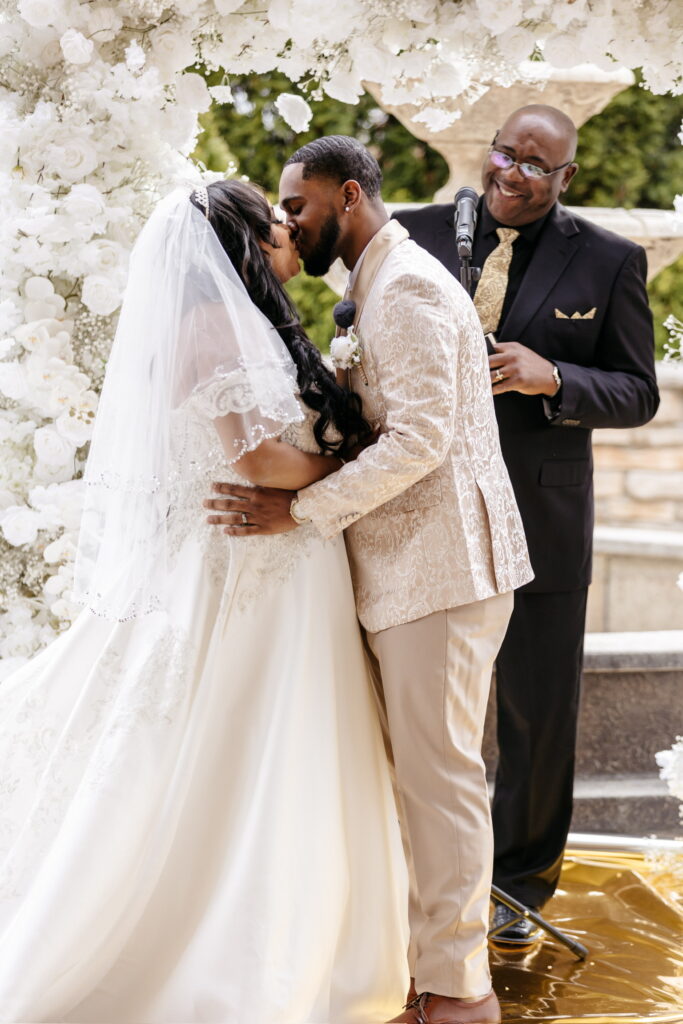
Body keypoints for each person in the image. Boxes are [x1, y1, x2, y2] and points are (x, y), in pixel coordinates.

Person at [0, 180, 410, 1023]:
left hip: (281, 560)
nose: (288, 229)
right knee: (245, 742)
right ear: (244, 246)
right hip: (250, 562)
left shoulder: (240, 324)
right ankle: (229, 951)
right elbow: (260, 462)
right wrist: (354, 472)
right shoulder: (215, 326)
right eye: (275, 221)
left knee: (272, 743)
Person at [205, 136, 533, 1024]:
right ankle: (414, 969)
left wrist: (298, 512)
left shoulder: (413, 288)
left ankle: (461, 991)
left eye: (298, 207)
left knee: (441, 782)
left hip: (442, 571)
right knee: (417, 783)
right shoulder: (378, 285)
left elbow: (421, 440)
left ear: (348, 196)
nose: (289, 224)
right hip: (407, 573)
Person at [393, 104, 660, 945]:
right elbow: (358, 330)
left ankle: (517, 891)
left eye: (535, 164)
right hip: (422, 515)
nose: (512, 172)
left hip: (540, 517)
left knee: (536, 717)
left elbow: (637, 390)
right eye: (505, 153)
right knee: (412, 706)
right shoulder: (412, 233)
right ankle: (407, 875)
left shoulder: (611, 261)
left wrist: (555, 380)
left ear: (566, 176)